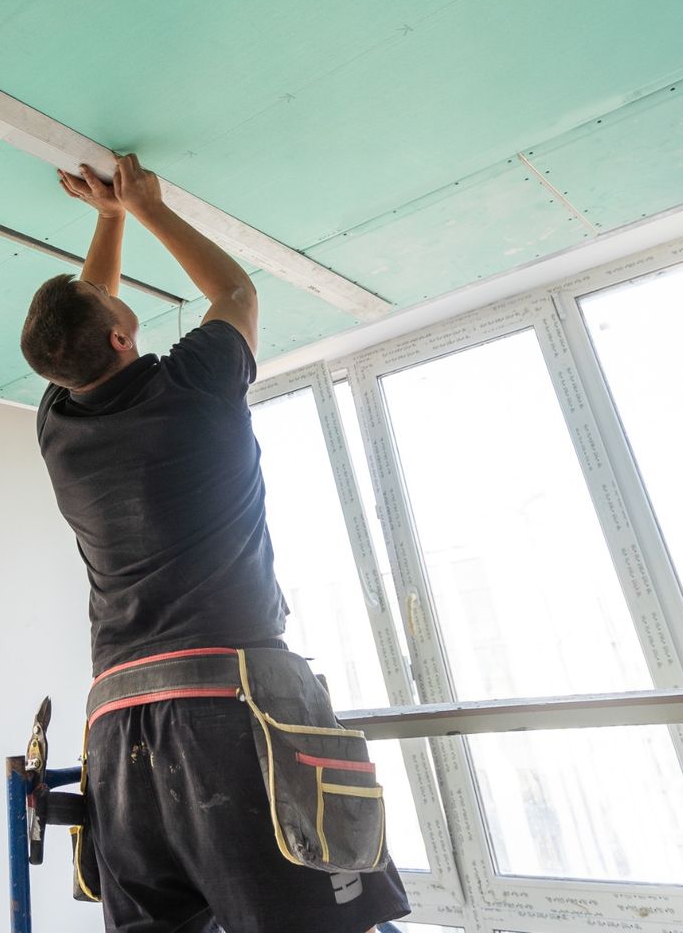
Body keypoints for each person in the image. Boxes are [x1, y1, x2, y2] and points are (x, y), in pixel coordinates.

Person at [20, 154, 409, 933]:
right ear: (123, 335)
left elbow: (86, 329)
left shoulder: (58, 428)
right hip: (229, 711)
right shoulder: (193, 385)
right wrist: (145, 204)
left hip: (120, 731)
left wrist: (108, 219)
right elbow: (234, 292)